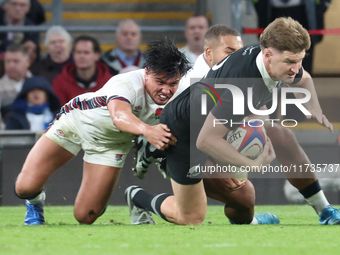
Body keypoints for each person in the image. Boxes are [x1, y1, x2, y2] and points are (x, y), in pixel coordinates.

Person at [126, 17, 339, 226]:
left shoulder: (277, 54)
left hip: (216, 124)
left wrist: (315, 108)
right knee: (190, 217)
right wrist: (251, 164)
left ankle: (324, 210)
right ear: (267, 55)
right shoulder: (241, 87)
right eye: (291, 62)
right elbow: (205, 141)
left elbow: (304, 77)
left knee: (245, 202)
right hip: (182, 135)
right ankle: (139, 196)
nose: (296, 68)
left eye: (300, 59)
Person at [14, 38, 190, 225]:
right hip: (74, 123)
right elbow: (119, 116)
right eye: (160, 82)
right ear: (147, 73)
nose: (166, 90)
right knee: (24, 187)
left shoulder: (183, 92)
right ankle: (34, 202)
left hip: (111, 144)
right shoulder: (126, 82)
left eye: (173, 84)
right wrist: (147, 132)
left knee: (86, 216)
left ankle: (100, 198)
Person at [52, 35, 112, 105]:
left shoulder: (109, 82)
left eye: (86, 53)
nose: (81, 56)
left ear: (96, 55)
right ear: (73, 55)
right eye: (78, 52)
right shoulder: (60, 82)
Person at [0, 43, 31, 125]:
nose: (11, 65)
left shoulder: (39, 86)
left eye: (16, 61)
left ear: (27, 62)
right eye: (7, 61)